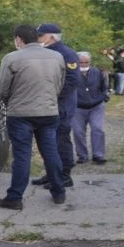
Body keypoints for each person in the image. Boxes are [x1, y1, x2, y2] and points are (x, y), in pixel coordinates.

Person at [0, 24, 67, 210]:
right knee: (51, 152)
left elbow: (3, 89)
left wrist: (12, 102)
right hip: (49, 112)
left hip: (20, 114)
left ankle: (15, 197)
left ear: (19, 39)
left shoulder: (11, 58)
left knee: (22, 156)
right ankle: (59, 192)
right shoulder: (57, 57)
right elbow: (59, 84)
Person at [31, 23, 80, 189]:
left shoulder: (66, 53)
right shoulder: (48, 52)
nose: (37, 39)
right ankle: (52, 173)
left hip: (61, 104)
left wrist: (52, 97)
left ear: (50, 36)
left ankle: (65, 175)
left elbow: (72, 81)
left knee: (60, 139)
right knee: (48, 141)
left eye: (40, 36)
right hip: (49, 104)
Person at [71, 51, 109, 166]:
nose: (83, 64)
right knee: (78, 132)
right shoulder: (71, 73)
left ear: (90, 62)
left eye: (86, 62)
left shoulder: (97, 72)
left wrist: (103, 97)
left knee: (98, 129)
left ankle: (98, 155)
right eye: (81, 62)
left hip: (96, 106)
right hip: (78, 107)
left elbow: (104, 87)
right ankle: (82, 155)